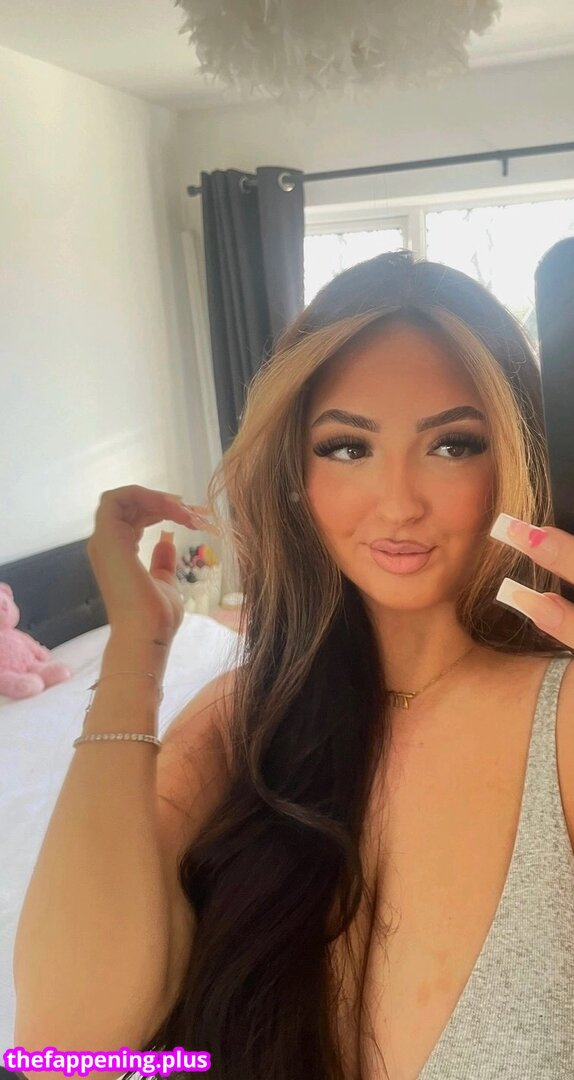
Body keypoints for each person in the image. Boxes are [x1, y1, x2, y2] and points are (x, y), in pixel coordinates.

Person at [14, 251, 574, 1080]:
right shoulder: (242, 714)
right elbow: (65, 1045)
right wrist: (136, 648)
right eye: (347, 447)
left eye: (453, 444)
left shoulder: (561, 717)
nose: (398, 502)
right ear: (295, 477)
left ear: (512, 465)